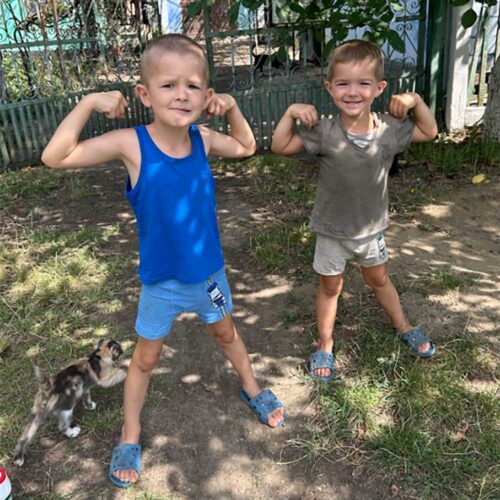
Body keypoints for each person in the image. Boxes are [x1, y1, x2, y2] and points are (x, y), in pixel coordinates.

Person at [41, 33, 285, 488]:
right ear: (144, 94)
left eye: (193, 86)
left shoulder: (204, 138)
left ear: (206, 96)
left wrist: (231, 108)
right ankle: (130, 431)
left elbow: (248, 146)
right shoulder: (131, 144)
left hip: (209, 276)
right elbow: (55, 156)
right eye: (168, 85)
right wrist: (90, 102)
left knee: (227, 333)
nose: (182, 95)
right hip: (161, 285)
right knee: (146, 359)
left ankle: (252, 387)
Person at [271, 39, 438, 382]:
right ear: (329, 87)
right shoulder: (324, 132)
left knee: (378, 278)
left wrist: (416, 100)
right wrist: (290, 114)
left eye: (363, 83)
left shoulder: (389, 130)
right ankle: (325, 343)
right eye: (343, 83)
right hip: (332, 231)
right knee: (330, 287)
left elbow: (429, 131)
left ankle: (403, 325)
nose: (352, 92)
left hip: (371, 231)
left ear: (379, 88)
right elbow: (280, 145)